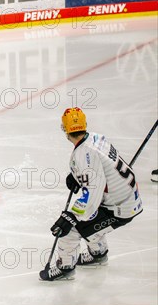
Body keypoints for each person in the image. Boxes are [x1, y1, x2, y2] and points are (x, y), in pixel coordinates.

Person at [39, 108, 143, 281]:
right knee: (90, 218)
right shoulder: (96, 138)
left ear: (65, 130)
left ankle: (65, 268)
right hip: (125, 198)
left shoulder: (83, 154)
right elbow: (100, 169)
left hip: (120, 207)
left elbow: (92, 193)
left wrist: (71, 216)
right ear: (85, 125)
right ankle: (98, 254)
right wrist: (77, 176)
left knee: (70, 229)